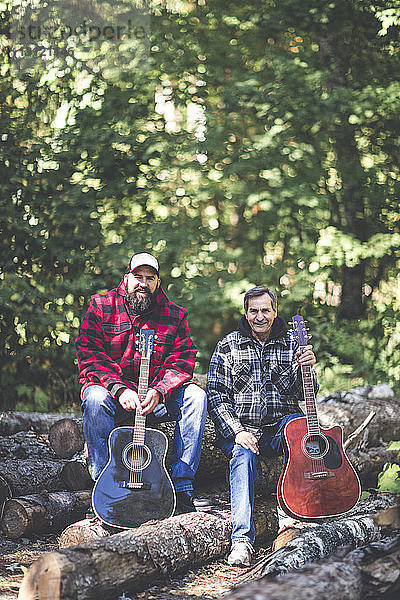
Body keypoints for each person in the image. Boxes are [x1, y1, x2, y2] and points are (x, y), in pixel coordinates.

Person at [76, 252, 207, 514]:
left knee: (196, 396)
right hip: (113, 394)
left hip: (155, 398)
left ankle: (181, 484)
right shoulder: (101, 305)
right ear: (127, 278)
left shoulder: (175, 315)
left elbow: (183, 359)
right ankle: (103, 482)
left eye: (150, 278)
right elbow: (89, 353)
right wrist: (118, 387)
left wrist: (160, 390)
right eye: (138, 276)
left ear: (158, 283)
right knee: (93, 398)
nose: (143, 283)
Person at [206, 285, 317, 566]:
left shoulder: (293, 343)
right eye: (253, 311)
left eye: (265, 310)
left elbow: (307, 394)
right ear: (245, 312)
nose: (259, 316)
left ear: (274, 311)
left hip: (280, 427)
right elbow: (217, 395)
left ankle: (297, 516)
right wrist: (237, 431)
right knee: (242, 457)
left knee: (301, 427)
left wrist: (308, 369)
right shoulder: (228, 345)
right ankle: (242, 541)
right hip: (243, 430)